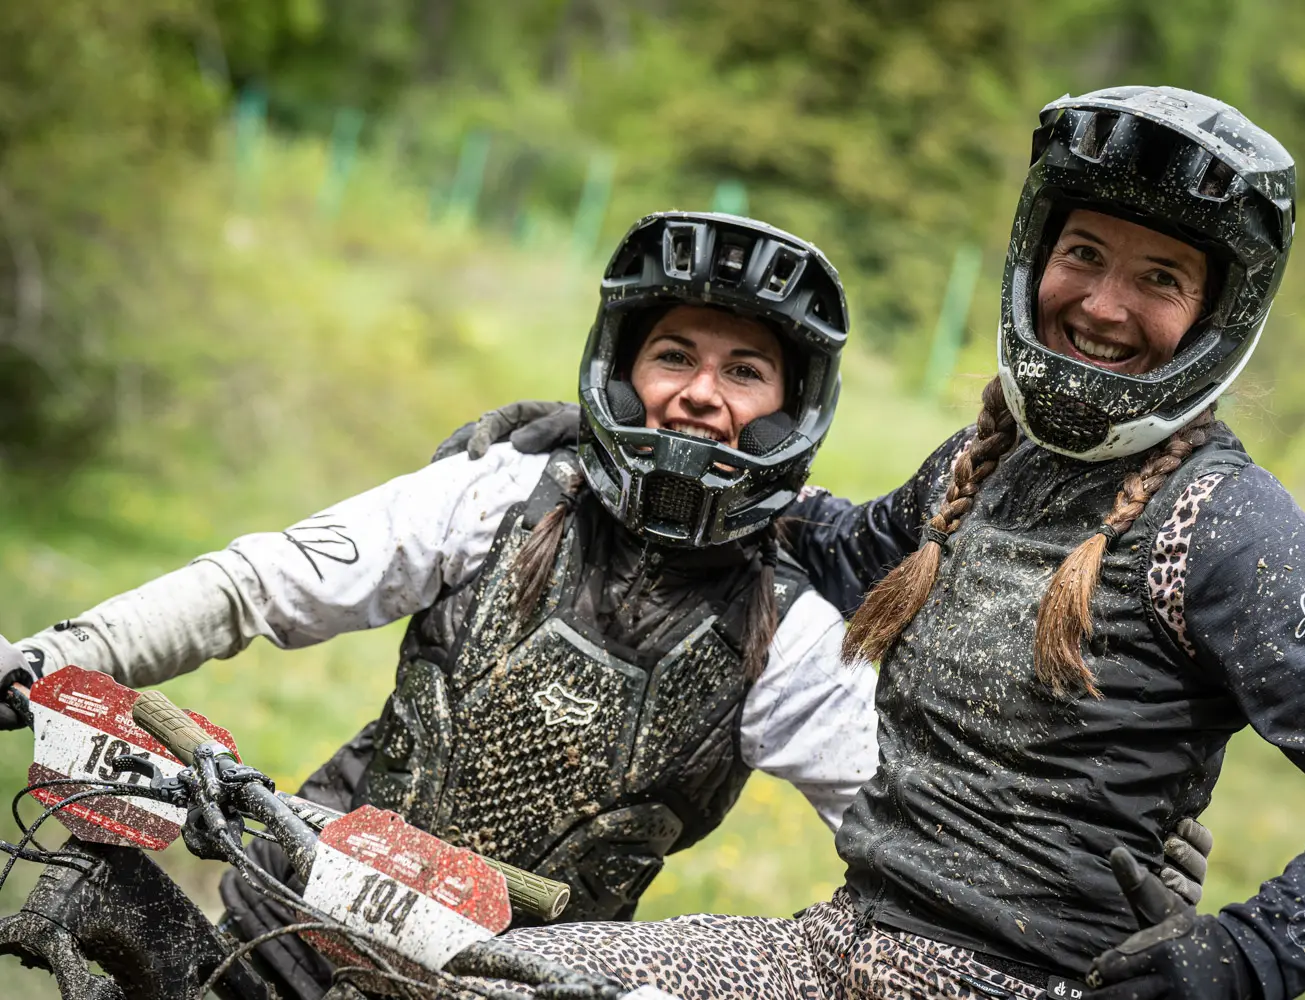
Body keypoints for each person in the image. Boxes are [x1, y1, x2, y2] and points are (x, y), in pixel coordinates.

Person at [438, 86, 1305, 1000]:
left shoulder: (1225, 526)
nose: (1104, 303)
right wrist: (632, 439)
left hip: (1028, 981)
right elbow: (837, 548)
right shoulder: (987, 463)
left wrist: (1247, 955)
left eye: (1160, 277)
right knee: (502, 974)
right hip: (839, 949)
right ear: (1036, 256)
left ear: (1215, 315)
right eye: (1085, 254)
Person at [0, 212, 879, 999]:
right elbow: (259, 583)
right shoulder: (501, 493)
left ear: (789, 415)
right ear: (621, 374)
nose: (698, 393)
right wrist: (57, 651)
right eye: (674, 354)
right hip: (284, 933)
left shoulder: (791, 636)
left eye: (746, 371)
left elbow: (902, 847)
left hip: (504, 989)